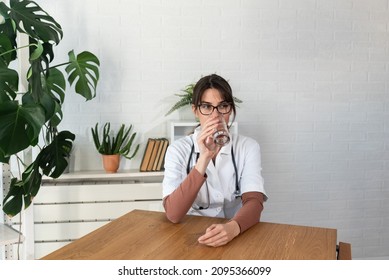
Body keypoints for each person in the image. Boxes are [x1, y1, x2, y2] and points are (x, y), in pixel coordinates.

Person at [162, 74, 267, 247]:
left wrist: (233, 228)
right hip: (190, 234)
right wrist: (203, 158)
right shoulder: (178, 150)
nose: (215, 115)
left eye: (223, 106)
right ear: (195, 111)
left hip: (236, 230)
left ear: (231, 109)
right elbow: (173, 214)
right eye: (207, 107)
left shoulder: (248, 147)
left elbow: (255, 202)